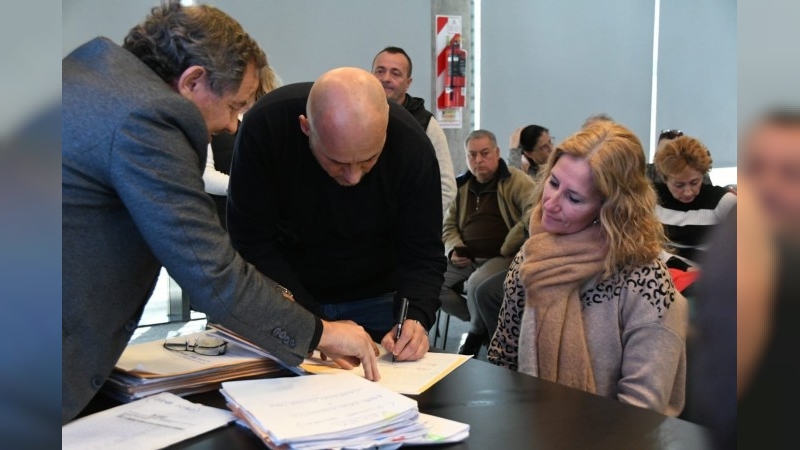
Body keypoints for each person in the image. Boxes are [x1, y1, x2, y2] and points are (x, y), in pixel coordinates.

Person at [62, 2, 379, 424]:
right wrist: (322, 333)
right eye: (234, 105)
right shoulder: (149, 118)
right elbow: (211, 273)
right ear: (193, 81)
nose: (232, 125)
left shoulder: (88, 74)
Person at [226, 67, 446, 362]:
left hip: (376, 297)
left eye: (368, 160)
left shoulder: (411, 146)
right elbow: (250, 239)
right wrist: (316, 326)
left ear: (385, 130)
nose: (353, 177)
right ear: (306, 128)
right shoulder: (266, 127)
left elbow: (423, 251)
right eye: (337, 162)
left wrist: (416, 316)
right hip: (286, 294)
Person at [487, 121, 688, 416]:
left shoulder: (645, 281)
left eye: (574, 198)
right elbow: (503, 359)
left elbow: (639, 414)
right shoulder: (535, 255)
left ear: (610, 209)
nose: (550, 204)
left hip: (614, 434)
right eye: (553, 183)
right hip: (530, 424)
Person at [440, 129, 535, 356]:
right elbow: (448, 225)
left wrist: (509, 245)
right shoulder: (462, 186)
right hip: (467, 257)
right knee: (431, 282)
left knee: (476, 284)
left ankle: (475, 332)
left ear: (497, 152)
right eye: (472, 155)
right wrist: (453, 249)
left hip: (502, 256)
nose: (478, 160)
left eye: (484, 153)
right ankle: (480, 322)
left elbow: (533, 213)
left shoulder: (515, 181)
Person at [372, 46, 456, 215]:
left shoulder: (425, 125)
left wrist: (414, 220)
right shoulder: (355, 116)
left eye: (395, 73)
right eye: (380, 71)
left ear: (408, 83)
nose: (386, 78)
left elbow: (446, 187)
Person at [204, 66, 281, 229]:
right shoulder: (212, 117)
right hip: (223, 218)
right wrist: (249, 188)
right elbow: (205, 176)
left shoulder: (270, 120)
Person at [653, 135, 737, 272]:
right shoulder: (652, 200)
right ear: (665, 178)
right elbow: (644, 245)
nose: (688, 192)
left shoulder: (721, 201)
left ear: (703, 175)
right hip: (665, 273)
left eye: (694, 183)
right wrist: (684, 267)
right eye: (679, 185)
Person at [647, 129, 712, 185]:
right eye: (662, 154)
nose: (687, 192)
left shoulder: (699, 171)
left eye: (694, 183)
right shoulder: (646, 172)